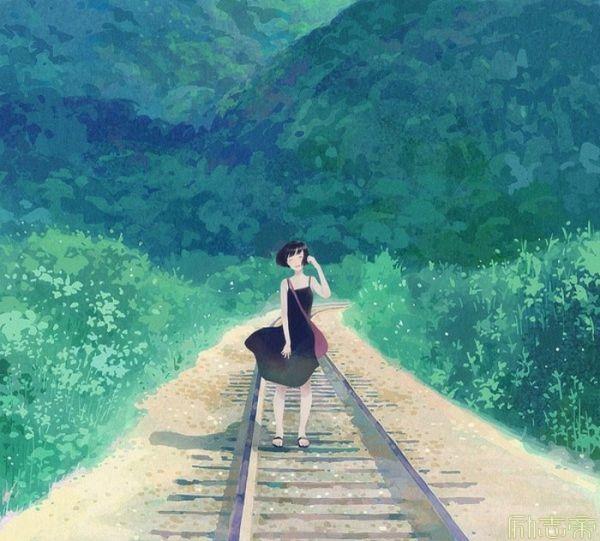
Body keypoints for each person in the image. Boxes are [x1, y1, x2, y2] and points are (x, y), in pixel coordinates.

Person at [244, 240, 331, 448]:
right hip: (289, 337)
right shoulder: (286, 283)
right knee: (281, 385)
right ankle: (279, 432)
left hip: (306, 338)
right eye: (292, 256)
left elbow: (326, 294)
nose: (296, 260)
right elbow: (284, 314)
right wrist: (288, 342)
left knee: (305, 385)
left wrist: (318, 267)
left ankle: (302, 433)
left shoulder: (310, 280)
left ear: (305, 257)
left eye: (299, 255)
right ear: (287, 260)